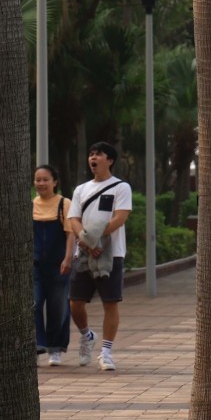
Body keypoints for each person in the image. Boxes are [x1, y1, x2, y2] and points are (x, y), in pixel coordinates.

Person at [68, 142, 132, 371]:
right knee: (75, 303)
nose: (93, 158)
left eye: (99, 154)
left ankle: (106, 352)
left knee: (110, 302)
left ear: (110, 160)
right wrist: (86, 242)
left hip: (111, 254)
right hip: (84, 253)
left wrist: (94, 240)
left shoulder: (121, 187)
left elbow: (119, 218)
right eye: (91, 154)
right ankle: (87, 336)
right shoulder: (81, 189)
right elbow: (74, 219)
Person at [33, 165, 74, 366]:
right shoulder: (30, 205)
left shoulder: (64, 204)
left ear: (54, 182)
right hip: (35, 265)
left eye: (45, 179)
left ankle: (55, 348)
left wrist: (68, 259)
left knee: (58, 307)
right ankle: (37, 344)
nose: (41, 183)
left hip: (59, 264)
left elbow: (70, 234)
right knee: (33, 303)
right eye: (37, 180)